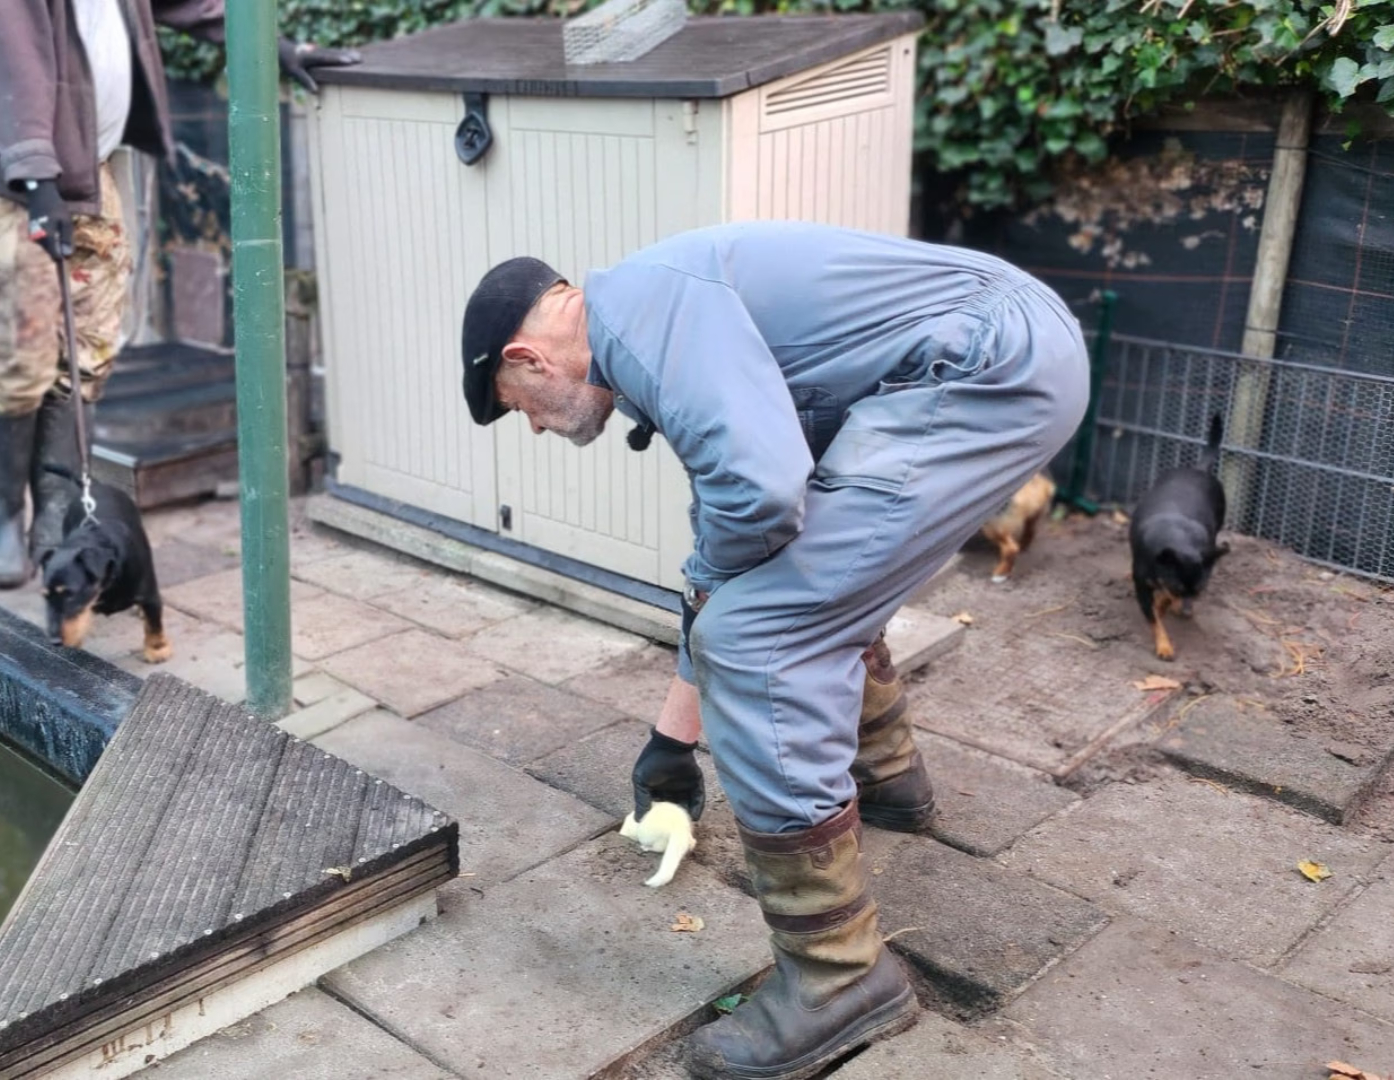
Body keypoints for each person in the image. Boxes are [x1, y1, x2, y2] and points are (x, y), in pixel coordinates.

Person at [458, 222, 1088, 1079]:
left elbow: (756, 504)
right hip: (1000, 350)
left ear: (527, 358)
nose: (533, 426)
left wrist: (718, 632)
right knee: (803, 588)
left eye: (516, 405)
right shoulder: (656, 322)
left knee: (760, 639)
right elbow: (737, 549)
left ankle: (839, 977)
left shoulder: (644, 313)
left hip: (985, 364)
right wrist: (672, 743)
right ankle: (889, 781)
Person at [0, 0, 358, 587]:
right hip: (16, 184)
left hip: (89, 169)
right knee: (23, 352)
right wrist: (37, 181)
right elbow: (7, 53)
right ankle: (5, 518)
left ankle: (56, 505)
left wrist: (277, 47)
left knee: (89, 348)